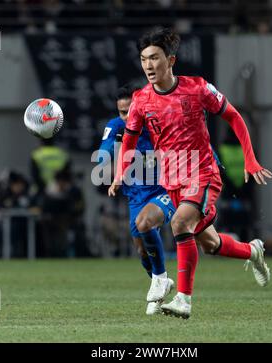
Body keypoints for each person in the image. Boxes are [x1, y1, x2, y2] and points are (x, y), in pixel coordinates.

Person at [109, 27, 272, 319]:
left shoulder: (197, 88)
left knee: (179, 222)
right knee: (209, 243)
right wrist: (121, 172)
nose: (148, 65)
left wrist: (250, 159)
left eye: (155, 58)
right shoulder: (141, 101)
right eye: (144, 58)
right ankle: (254, 252)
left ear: (170, 60)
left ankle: (183, 299)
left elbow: (233, 116)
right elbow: (130, 139)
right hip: (172, 182)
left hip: (203, 173)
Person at [98, 84, 176, 315]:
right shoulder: (116, 127)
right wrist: (116, 146)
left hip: (165, 189)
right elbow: (103, 153)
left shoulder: (157, 121)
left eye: (131, 109)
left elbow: (188, 139)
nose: (128, 115)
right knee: (141, 250)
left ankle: (162, 281)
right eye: (122, 112)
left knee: (146, 224)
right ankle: (161, 285)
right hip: (135, 196)